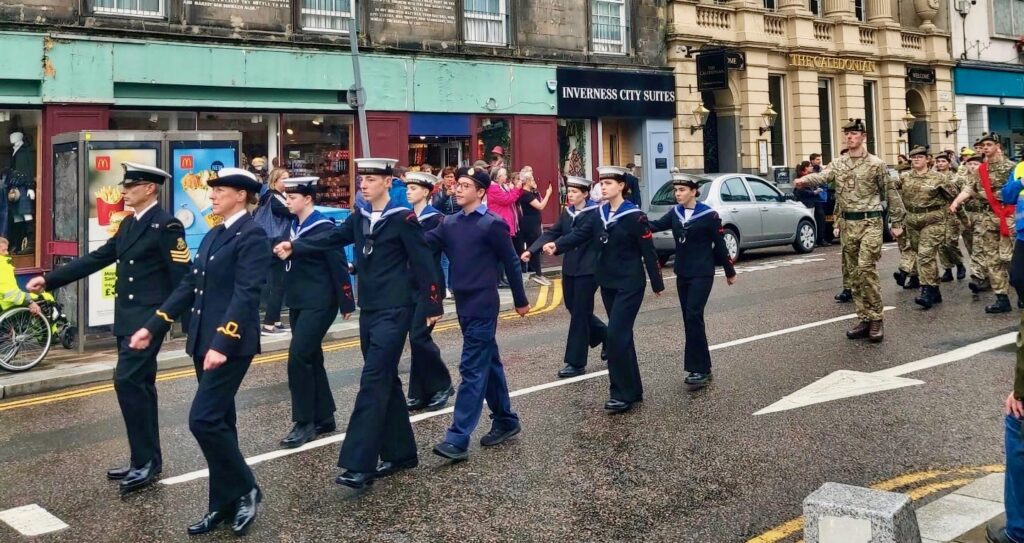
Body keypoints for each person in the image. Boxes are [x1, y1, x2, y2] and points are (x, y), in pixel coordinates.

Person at [273, 158, 443, 491]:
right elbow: (331, 239)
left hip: (396, 310)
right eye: (361, 178)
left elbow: (425, 262)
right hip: (371, 311)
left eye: (369, 179)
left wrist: (433, 303)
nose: (363, 184)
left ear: (386, 183)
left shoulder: (403, 218)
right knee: (386, 382)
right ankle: (401, 452)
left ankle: (358, 463)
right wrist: (295, 246)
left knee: (373, 380)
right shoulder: (359, 217)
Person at [26, 163, 190, 495]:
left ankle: (146, 461)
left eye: (131, 186)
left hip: (148, 321)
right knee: (139, 386)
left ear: (150, 189)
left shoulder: (166, 225)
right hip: (127, 319)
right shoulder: (130, 224)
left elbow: (183, 279)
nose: (124, 191)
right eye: (124, 186)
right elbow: (98, 257)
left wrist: (167, 321)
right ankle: (144, 459)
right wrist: (50, 279)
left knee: (127, 381)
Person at [129, 168, 269, 536]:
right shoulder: (213, 235)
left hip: (229, 345)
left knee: (202, 420)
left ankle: (247, 487)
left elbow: (247, 293)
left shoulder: (252, 235)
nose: (212, 196)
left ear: (241, 195)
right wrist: (153, 325)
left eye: (220, 190)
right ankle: (222, 503)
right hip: (202, 341)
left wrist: (223, 343)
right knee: (222, 422)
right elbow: (190, 285)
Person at [424, 166, 530, 461]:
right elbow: (424, 245)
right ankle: (506, 420)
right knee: (488, 361)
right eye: (457, 185)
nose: (457, 189)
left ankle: (457, 438)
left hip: (484, 303)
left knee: (471, 368)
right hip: (462, 303)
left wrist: (521, 299)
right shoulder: (449, 223)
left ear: (481, 192)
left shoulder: (492, 224)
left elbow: (510, 262)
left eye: (465, 186)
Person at [545, 165, 664, 413]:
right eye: (602, 183)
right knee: (623, 337)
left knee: (616, 335)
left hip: (630, 284)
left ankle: (621, 394)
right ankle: (635, 389)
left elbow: (648, 251)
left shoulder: (634, 215)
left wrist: (656, 282)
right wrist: (556, 245)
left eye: (609, 183)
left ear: (621, 186)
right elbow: (579, 235)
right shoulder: (599, 214)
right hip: (608, 283)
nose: (604, 187)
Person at [795, 119, 906, 342]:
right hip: (848, 225)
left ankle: (876, 318)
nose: (850, 137)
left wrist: (897, 222)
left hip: (870, 222)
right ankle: (864, 318)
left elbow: (890, 192)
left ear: (863, 136)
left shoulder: (876, 163)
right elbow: (823, 177)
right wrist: (803, 180)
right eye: (847, 133)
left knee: (866, 269)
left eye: (854, 133)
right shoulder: (839, 163)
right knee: (854, 274)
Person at [276, 176, 355, 449]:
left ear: (307, 198)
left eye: (293, 197)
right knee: (312, 357)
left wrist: (346, 300)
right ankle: (324, 416)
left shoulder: (322, 225)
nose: (288, 201)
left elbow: (338, 262)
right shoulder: (295, 225)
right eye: (286, 196)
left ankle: (304, 422)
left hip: (320, 300)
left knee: (298, 357)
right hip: (299, 300)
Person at [649, 172, 737, 389]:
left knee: (694, 314)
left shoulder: (708, 215)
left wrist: (729, 271)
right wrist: (633, 220)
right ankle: (702, 367)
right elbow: (654, 226)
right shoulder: (675, 213)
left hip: (702, 273)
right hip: (683, 273)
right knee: (689, 319)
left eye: (682, 190)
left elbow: (720, 243)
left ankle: (699, 369)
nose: (677, 194)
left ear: (693, 191)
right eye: (676, 190)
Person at [522, 175, 606, 378]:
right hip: (570, 268)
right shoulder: (567, 212)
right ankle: (608, 337)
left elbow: (578, 236)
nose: (570, 195)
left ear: (585, 194)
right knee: (572, 307)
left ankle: (575, 362)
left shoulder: (595, 214)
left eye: (575, 192)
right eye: (569, 191)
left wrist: (557, 246)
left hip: (589, 268)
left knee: (579, 313)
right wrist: (531, 251)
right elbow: (553, 232)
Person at [951, 132, 1018, 313]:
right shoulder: (981, 170)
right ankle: (1001, 298)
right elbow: (969, 188)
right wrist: (957, 202)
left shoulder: (1012, 167)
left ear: (998, 146)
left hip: (1009, 217)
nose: (986, 148)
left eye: (989, 144)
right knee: (992, 259)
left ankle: (1020, 291)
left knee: (1011, 257)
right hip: (988, 219)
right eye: (983, 145)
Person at [404, 171, 454, 412]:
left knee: (418, 337)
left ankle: (443, 384)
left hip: (429, 287)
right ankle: (419, 392)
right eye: (408, 188)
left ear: (426, 192)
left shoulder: (436, 220)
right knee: (416, 340)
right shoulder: (407, 218)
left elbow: (431, 253)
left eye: (413, 189)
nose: (408, 192)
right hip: (408, 287)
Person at [894, 147, 958, 310]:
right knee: (922, 255)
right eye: (913, 157)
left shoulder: (938, 178)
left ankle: (927, 291)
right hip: (913, 221)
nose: (916, 159)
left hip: (933, 221)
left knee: (925, 255)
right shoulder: (905, 177)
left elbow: (953, 195)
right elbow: (889, 189)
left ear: (928, 160)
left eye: (920, 157)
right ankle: (935, 290)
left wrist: (950, 212)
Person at [257, 168, 294, 336]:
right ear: (274, 181)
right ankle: (269, 324)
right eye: (283, 179)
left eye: (288, 178)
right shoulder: (274, 199)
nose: (287, 182)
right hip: (275, 245)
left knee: (279, 284)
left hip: (271, 244)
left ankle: (277, 321)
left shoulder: (274, 197)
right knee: (278, 285)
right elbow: (291, 212)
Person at [933, 153, 967, 283]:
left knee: (950, 242)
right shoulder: (933, 178)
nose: (940, 163)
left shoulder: (956, 178)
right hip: (937, 214)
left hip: (953, 213)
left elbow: (963, 194)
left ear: (948, 163)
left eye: (943, 161)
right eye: (938, 161)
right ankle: (947, 270)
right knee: (941, 244)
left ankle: (959, 264)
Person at [515, 171, 553, 286]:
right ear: (526, 181)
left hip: (533, 223)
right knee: (535, 247)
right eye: (531, 179)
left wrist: (536, 190)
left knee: (534, 247)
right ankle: (538, 274)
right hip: (529, 224)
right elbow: (540, 205)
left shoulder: (529, 192)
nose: (534, 181)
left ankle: (538, 273)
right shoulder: (525, 194)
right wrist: (548, 194)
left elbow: (537, 199)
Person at [486, 168, 522, 287]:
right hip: (499, 223)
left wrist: (516, 189)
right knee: (500, 253)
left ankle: (501, 278)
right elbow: (507, 200)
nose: (506, 176)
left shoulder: (501, 187)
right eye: (504, 175)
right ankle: (498, 279)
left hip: (504, 222)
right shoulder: (493, 188)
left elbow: (513, 197)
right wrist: (516, 188)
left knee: (502, 254)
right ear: (497, 177)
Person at [432, 167, 460, 293]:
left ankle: (453, 285)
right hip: (442, 225)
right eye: (447, 177)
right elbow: (435, 206)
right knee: (444, 259)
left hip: (456, 226)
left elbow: (462, 207)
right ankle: (446, 287)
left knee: (455, 257)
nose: (450, 180)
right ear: (443, 178)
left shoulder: (459, 190)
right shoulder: (438, 191)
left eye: (452, 177)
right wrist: (445, 196)